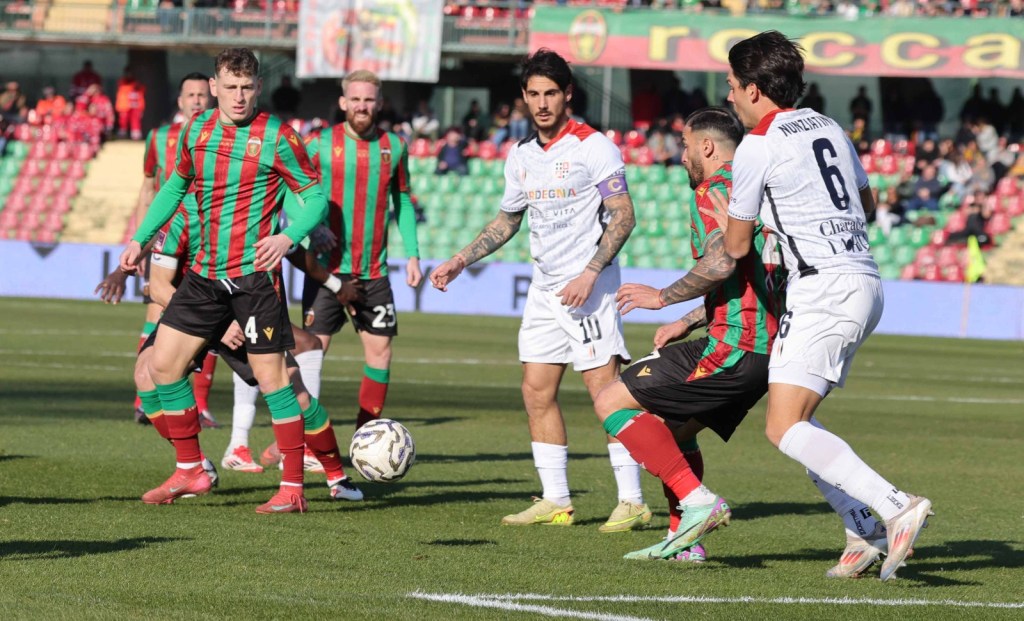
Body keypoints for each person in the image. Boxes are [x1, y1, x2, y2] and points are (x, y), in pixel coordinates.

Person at [714, 31, 933, 581]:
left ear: (757, 89)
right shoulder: (828, 125)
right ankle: (862, 531)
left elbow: (737, 248)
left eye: (733, 87)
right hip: (862, 280)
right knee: (800, 424)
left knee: (783, 427)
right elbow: (868, 202)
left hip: (822, 289)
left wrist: (737, 224)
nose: (730, 98)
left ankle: (894, 505)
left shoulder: (756, 147)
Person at [430, 49, 649, 533]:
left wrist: (591, 272)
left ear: (567, 93)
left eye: (552, 93)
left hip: (588, 288)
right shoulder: (523, 155)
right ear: (524, 98)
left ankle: (632, 499)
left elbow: (624, 214)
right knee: (535, 391)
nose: (543, 103)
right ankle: (556, 500)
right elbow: (508, 219)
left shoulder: (594, 147)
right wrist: (459, 260)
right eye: (534, 94)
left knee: (606, 395)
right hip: (545, 290)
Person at [118, 47, 343, 514]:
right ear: (215, 87)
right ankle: (192, 470)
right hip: (203, 275)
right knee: (162, 366)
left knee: (274, 378)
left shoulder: (279, 136)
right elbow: (175, 187)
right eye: (230, 87)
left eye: (247, 87)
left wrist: (289, 236)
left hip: (253, 279)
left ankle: (293, 489)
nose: (239, 97)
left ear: (257, 87)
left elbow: (315, 194)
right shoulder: (195, 132)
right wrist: (140, 238)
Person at [593, 106, 787, 563]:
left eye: (683, 145)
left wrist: (662, 298)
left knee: (610, 399)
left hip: (734, 346)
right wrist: (688, 321)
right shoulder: (756, 193)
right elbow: (745, 278)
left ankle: (696, 501)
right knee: (676, 432)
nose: (680, 156)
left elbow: (722, 262)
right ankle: (686, 540)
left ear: (706, 147)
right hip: (765, 351)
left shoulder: (714, 191)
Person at [296, 69, 422, 433]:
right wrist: (312, 226)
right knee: (310, 354)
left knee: (381, 352)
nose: (362, 106)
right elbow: (292, 189)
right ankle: (306, 437)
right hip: (325, 270)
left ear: (379, 103)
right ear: (343, 102)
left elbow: (402, 199)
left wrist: (412, 253)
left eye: (369, 99)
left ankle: (366, 438)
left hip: (374, 271)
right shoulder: (319, 143)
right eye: (355, 99)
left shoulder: (394, 146)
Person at [130, 72, 219, 428]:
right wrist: (141, 240)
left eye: (202, 94)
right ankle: (143, 400)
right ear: (179, 101)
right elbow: (149, 188)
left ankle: (200, 404)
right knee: (157, 309)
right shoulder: (158, 137)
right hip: (168, 239)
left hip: (206, 238)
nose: (197, 100)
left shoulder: (217, 135)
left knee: (209, 317)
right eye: (190, 95)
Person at [115, 67, 146, 140]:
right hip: (125, 106)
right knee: (123, 121)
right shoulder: (122, 83)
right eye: (128, 73)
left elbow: (142, 91)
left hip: (135, 106)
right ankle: (122, 135)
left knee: (135, 122)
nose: (129, 75)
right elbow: (121, 89)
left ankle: (136, 136)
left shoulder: (137, 84)